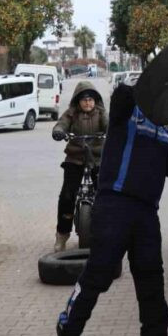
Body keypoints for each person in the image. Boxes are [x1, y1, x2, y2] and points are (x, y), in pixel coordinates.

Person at [55, 81, 168, 336]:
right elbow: (122, 94)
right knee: (100, 274)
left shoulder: (167, 128)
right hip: (114, 205)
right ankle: (69, 328)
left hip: (147, 212)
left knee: (152, 280)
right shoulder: (127, 110)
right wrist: (155, 79)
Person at [52, 81, 107, 252]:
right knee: (68, 195)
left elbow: (110, 124)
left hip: (98, 158)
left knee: (105, 195)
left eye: (91, 100)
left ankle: (106, 232)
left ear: (95, 100)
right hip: (74, 157)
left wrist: (114, 131)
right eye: (84, 100)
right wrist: (59, 131)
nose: (88, 103)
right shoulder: (71, 114)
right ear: (78, 101)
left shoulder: (101, 113)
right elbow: (61, 124)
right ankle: (62, 234)